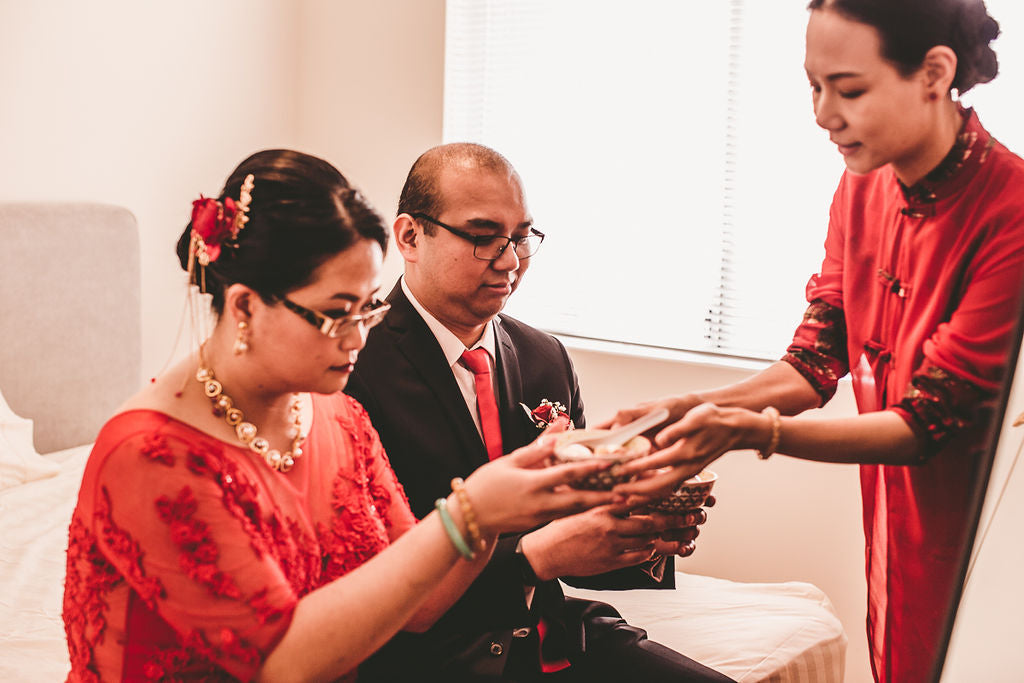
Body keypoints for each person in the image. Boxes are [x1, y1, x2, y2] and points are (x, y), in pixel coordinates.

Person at [61, 149, 618, 682]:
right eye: (334, 315)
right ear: (245, 306)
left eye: (368, 306)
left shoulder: (339, 417)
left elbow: (419, 605)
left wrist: (505, 503)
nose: (358, 338)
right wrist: (472, 511)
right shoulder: (150, 454)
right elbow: (282, 666)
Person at [605, 1, 1024, 681]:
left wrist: (745, 430)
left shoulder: (1011, 211)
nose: (823, 114)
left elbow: (927, 422)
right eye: (813, 85)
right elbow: (813, 360)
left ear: (933, 72)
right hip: (892, 531)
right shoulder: (861, 190)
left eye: (849, 89)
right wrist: (686, 408)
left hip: (984, 540)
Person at [345, 142, 733, 682]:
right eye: (483, 238)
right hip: (434, 658)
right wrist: (535, 559)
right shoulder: (352, 366)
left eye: (522, 237)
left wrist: (643, 532)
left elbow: (572, 546)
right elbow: (370, 588)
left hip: (559, 637)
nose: (510, 260)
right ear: (410, 236)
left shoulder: (543, 356)